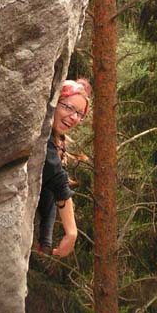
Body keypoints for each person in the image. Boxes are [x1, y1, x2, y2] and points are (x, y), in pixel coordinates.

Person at [36, 78, 91, 257]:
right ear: (54, 103)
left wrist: (46, 242)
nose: (74, 117)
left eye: (79, 114)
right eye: (68, 107)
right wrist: (72, 232)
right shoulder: (40, 130)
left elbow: (51, 189)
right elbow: (58, 182)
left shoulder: (53, 141)